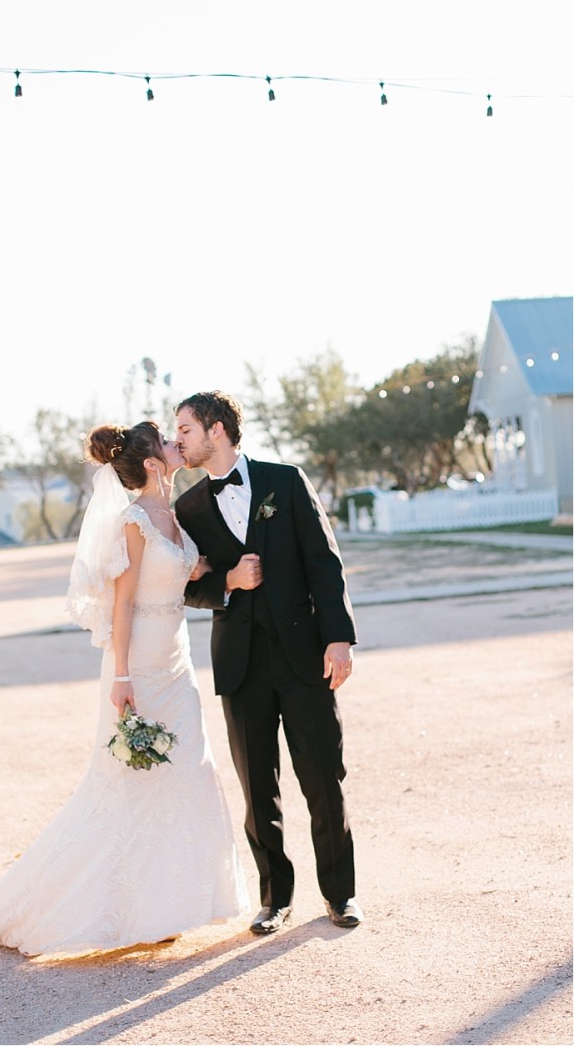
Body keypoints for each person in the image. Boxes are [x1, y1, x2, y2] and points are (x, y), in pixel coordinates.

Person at [0, 422, 248, 956]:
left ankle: (167, 905)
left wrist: (227, 573)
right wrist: (123, 675)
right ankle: (75, 907)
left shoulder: (175, 516)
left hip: (178, 663)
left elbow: (186, 574)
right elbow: (122, 602)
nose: (178, 445)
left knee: (186, 771)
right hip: (140, 665)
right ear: (153, 464)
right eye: (168, 443)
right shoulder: (132, 521)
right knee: (129, 781)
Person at [172, 390, 361, 933]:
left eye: (185, 429)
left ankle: (341, 895)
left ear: (217, 429)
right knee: (259, 789)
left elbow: (325, 563)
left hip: (305, 656)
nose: (178, 439)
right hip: (240, 664)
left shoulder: (286, 480)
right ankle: (275, 899)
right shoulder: (187, 509)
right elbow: (183, 586)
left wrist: (339, 639)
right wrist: (226, 582)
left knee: (324, 778)